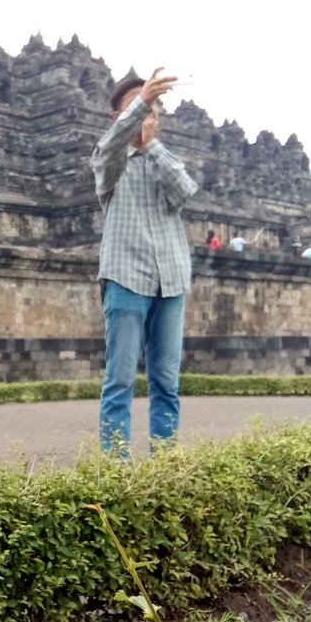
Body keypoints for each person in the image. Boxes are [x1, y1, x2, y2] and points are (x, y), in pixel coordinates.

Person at [90, 67, 198, 453]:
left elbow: (184, 191)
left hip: (170, 279)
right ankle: (116, 470)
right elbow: (109, 151)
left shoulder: (162, 157)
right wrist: (140, 106)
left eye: (153, 108)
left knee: (166, 382)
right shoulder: (110, 163)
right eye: (138, 108)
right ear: (119, 117)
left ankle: (165, 466)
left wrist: (152, 146)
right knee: (119, 381)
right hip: (126, 278)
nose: (147, 114)